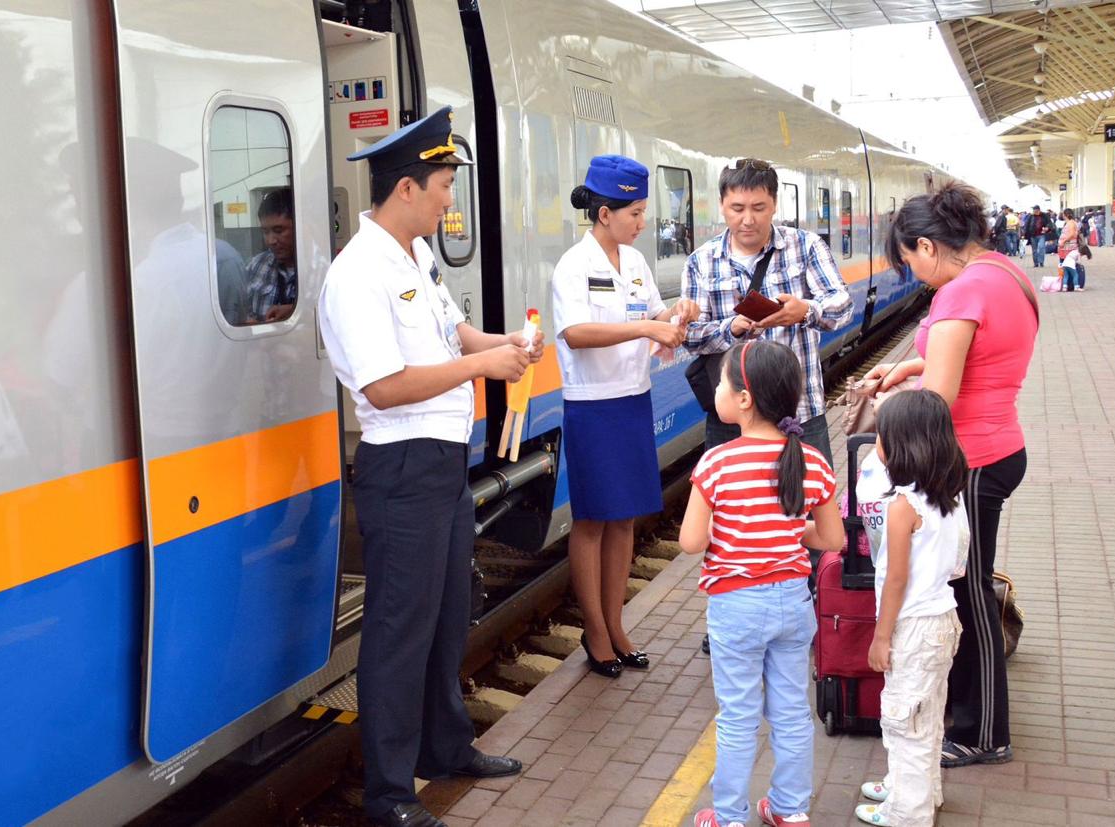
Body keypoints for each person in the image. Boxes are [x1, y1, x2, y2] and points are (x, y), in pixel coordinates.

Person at [318, 106, 541, 827]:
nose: (452, 200)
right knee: (399, 628)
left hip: (442, 464)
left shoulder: (416, 257)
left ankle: (446, 747)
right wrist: (481, 364)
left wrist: (499, 341)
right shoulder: (358, 275)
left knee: (447, 614)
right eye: (445, 184)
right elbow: (382, 386)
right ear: (408, 188)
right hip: (403, 467)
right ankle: (388, 793)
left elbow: (452, 330)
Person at [865, 181, 1038, 770]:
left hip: (972, 461)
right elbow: (979, 355)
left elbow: (939, 398)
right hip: (999, 446)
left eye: (910, 261)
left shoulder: (961, 292)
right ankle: (970, 713)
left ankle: (985, 731)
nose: (913, 274)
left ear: (927, 246)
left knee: (969, 596)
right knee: (967, 588)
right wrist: (912, 364)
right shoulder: (1005, 274)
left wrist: (890, 419)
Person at [681, 341, 845, 827]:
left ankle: (729, 816)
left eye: (722, 383)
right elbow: (832, 537)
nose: (716, 391)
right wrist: (793, 530)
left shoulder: (716, 464)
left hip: (735, 607)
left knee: (737, 716)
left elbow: (692, 541)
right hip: (793, 603)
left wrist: (730, 531)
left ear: (745, 399)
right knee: (792, 711)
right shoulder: (811, 460)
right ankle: (791, 810)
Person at [552, 155, 699, 677]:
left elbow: (651, 313)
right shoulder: (575, 265)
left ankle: (617, 624)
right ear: (605, 212)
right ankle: (595, 633)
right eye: (634, 213)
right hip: (592, 405)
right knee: (592, 518)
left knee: (625, 518)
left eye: (643, 212)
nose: (642, 223)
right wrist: (645, 331)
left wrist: (676, 313)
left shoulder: (634, 264)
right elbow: (575, 333)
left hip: (633, 398)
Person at [681, 159, 853, 463]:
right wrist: (731, 327)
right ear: (721, 205)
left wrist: (805, 311)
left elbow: (843, 305)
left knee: (808, 506)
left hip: (798, 414)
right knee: (732, 510)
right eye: (737, 208)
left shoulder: (806, 246)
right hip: (732, 419)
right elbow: (690, 336)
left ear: (774, 204)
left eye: (758, 208)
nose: (748, 219)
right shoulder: (701, 261)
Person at [854, 390, 968, 827]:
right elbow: (958, 562)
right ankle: (917, 789)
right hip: (943, 617)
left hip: (912, 626)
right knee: (926, 715)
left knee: (905, 721)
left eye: (882, 435)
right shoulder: (950, 495)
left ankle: (908, 812)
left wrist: (881, 638)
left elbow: (896, 580)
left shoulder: (903, 507)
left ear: (901, 446)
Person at [245, 187, 298, 323]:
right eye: (265, 232)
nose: (271, 241)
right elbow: (244, 312)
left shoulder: (323, 268)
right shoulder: (256, 266)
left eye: (279, 230)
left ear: (299, 225)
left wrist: (294, 311)